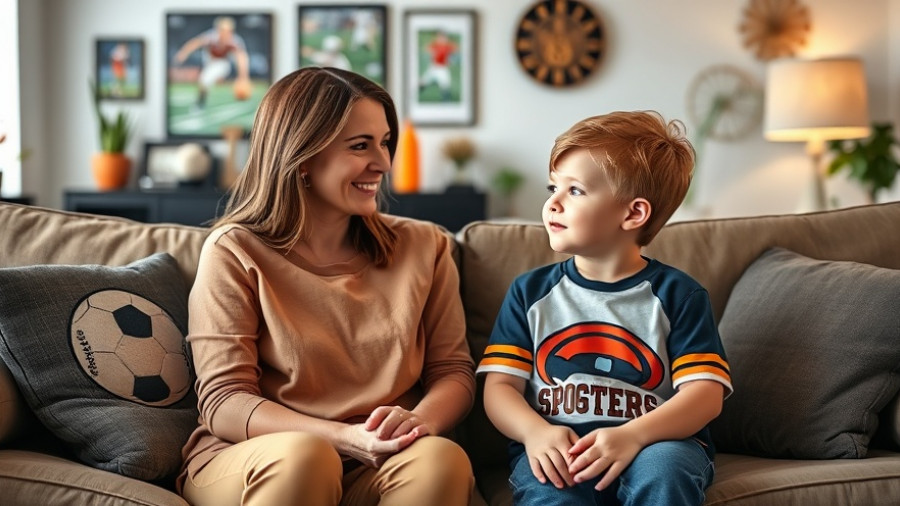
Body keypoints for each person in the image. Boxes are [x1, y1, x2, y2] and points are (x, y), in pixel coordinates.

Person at [178, 67, 477, 506]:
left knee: (441, 459)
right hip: (256, 459)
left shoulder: (426, 247)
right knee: (307, 457)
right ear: (302, 157)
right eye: (361, 146)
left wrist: (418, 423)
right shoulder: (234, 251)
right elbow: (225, 402)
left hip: (382, 462)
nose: (383, 163)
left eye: (385, 142)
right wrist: (341, 437)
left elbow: (453, 372)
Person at [478, 111, 733, 506]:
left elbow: (704, 395)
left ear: (633, 213)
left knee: (665, 472)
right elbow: (499, 388)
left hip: (657, 444)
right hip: (562, 451)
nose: (553, 204)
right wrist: (534, 432)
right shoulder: (529, 293)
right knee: (551, 492)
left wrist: (633, 435)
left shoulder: (679, 295)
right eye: (553, 188)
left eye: (575, 190)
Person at [173, 16, 251, 109]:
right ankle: (201, 100)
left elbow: (241, 57)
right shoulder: (211, 36)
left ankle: (200, 104)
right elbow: (195, 43)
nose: (225, 33)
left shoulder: (235, 40)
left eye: (228, 30)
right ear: (218, 29)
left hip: (222, 63)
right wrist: (183, 53)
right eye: (223, 30)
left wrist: (243, 76)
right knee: (203, 83)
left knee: (205, 79)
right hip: (208, 62)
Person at [418, 30, 457, 102]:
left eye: (442, 37)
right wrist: (431, 52)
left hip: (443, 68)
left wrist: (451, 58)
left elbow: (455, 51)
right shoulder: (435, 44)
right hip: (434, 67)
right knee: (423, 82)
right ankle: (414, 96)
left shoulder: (448, 45)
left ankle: (446, 102)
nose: (440, 38)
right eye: (439, 37)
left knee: (445, 85)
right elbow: (426, 49)